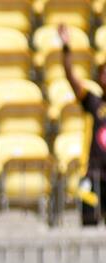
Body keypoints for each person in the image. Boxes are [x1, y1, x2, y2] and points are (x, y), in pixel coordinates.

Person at [59, 24, 106, 225]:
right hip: (93, 174)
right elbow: (71, 77)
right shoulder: (92, 101)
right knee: (89, 224)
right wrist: (66, 49)